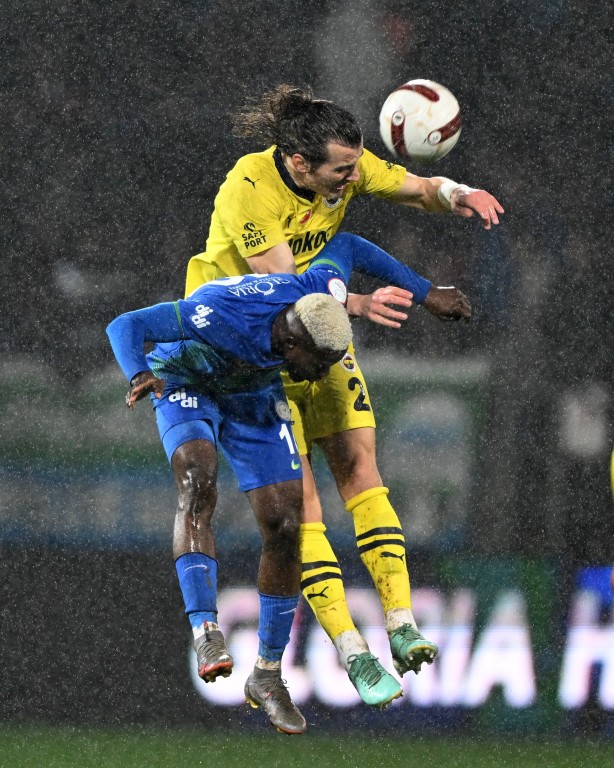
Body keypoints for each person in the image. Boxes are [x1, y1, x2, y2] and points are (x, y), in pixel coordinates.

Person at [185, 85, 497, 706]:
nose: (354, 179)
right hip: (250, 350)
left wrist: (459, 194)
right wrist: (356, 301)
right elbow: (283, 288)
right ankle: (353, 653)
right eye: (342, 171)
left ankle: (402, 623)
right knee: (300, 509)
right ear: (299, 164)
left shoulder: (343, 165)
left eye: (356, 166)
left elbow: (414, 188)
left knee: (360, 468)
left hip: (317, 332)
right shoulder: (248, 189)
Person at [107, 232, 471, 730]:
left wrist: (426, 293)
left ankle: (267, 674)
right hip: (187, 380)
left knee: (286, 526)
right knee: (197, 481)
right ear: (293, 343)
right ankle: (206, 629)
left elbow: (348, 245)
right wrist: (137, 374)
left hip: (252, 394)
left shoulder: (317, 290)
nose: (320, 377)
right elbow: (126, 324)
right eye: (317, 364)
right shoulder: (219, 315)